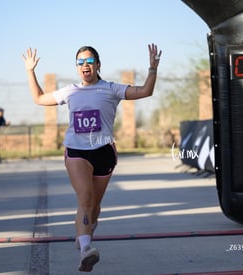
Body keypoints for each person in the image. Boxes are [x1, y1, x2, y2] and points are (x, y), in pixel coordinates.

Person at [23, 43, 162, 272]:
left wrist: (152, 69)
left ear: (97, 65)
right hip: (76, 151)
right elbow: (39, 98)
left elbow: (145, 91)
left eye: (89, 61)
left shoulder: (110, 89)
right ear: (77, 68)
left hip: (104, 152)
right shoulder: (71, 91)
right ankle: (86, 249)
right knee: (85, 199)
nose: (85, 65)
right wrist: (30, 70)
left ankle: (84, 233)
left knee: (95, 207)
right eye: (80, 62)